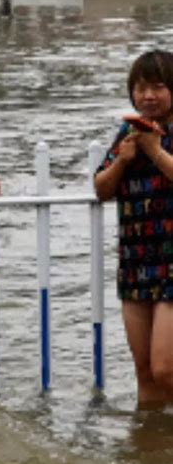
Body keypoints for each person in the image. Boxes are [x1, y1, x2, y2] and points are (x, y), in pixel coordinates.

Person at [94, 49, 173, 409]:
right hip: (136, 259)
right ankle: (152, 449)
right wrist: (122, 163)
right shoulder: (128, 131)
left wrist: (155, 151)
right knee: (144, 372)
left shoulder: (159, 138)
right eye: (140, 88)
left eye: (158, 86)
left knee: (165, 368)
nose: (148, 96)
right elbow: (101, 189)